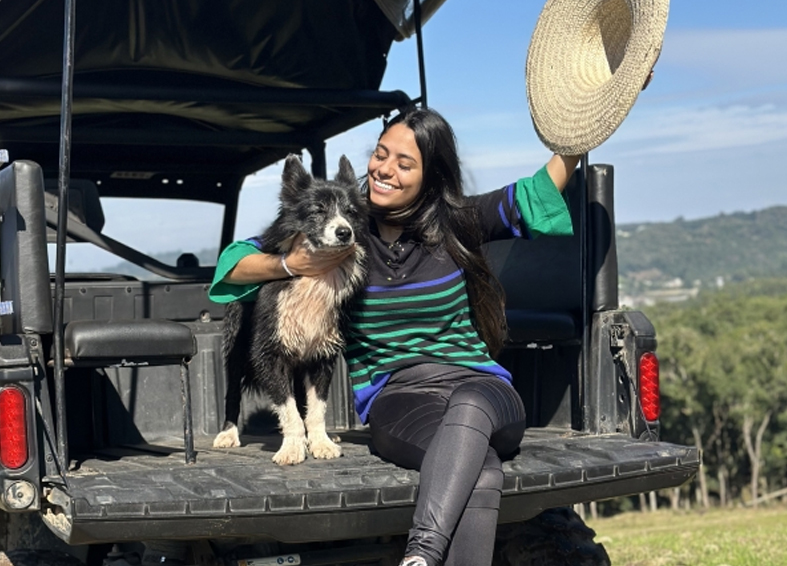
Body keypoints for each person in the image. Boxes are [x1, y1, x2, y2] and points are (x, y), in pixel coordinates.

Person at [209, 107, 580, 566]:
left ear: (430, 177)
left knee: (469, 403)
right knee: (481, 473)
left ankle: (421, 553)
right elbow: (233, 264)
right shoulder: (343, 225)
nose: (385, 169)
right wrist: (290, 264)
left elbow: (539, 192)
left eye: (404, 164)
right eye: (381, 154)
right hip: (398, 399)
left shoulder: (458, 220)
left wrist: (584, 122)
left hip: (481, 388)